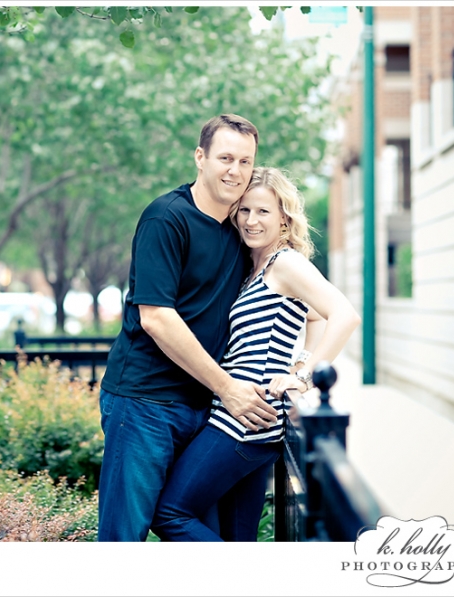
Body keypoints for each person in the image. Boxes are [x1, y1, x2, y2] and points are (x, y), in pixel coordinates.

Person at [151, 167, 361, 542]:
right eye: (244, 210)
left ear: (284, 216)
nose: (251, 220)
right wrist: (299, 358)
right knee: (238, 537)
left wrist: (302, 375)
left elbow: (344, 315)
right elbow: (312, 316)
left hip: (246, 422)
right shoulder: (257, 267)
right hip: (245, 417)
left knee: (170, 513)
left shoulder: (286, 262)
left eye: (263, 211)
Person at [98, 115, 281, 542]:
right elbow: (156, 317)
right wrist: (229, 387)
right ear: (200, 158)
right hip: (146, 402)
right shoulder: (167, 218)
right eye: (225, 158)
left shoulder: (242, 229)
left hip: (205, 409)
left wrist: (299, 370)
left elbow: (294, 303)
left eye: (245, 161)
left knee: (191, 526)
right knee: (125, 535)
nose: (235, 170)